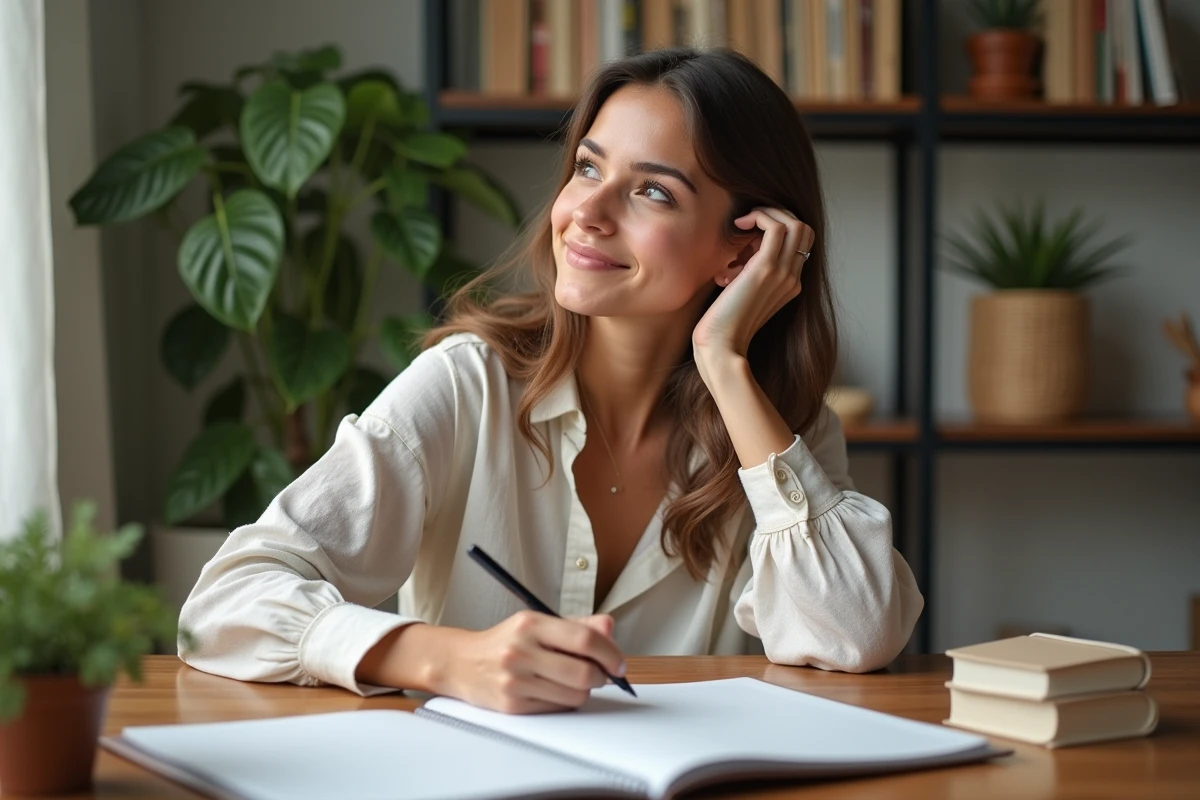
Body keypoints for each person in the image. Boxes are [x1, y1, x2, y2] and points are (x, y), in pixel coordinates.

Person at [179, 47, 923, 714]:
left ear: (744, 254)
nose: (586, 214)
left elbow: (854, 636)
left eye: (653, 192)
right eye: (589, 168)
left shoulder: (779, 434)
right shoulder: (468, 384)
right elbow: (225, 601)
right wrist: (443, 659)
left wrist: (724, 363)